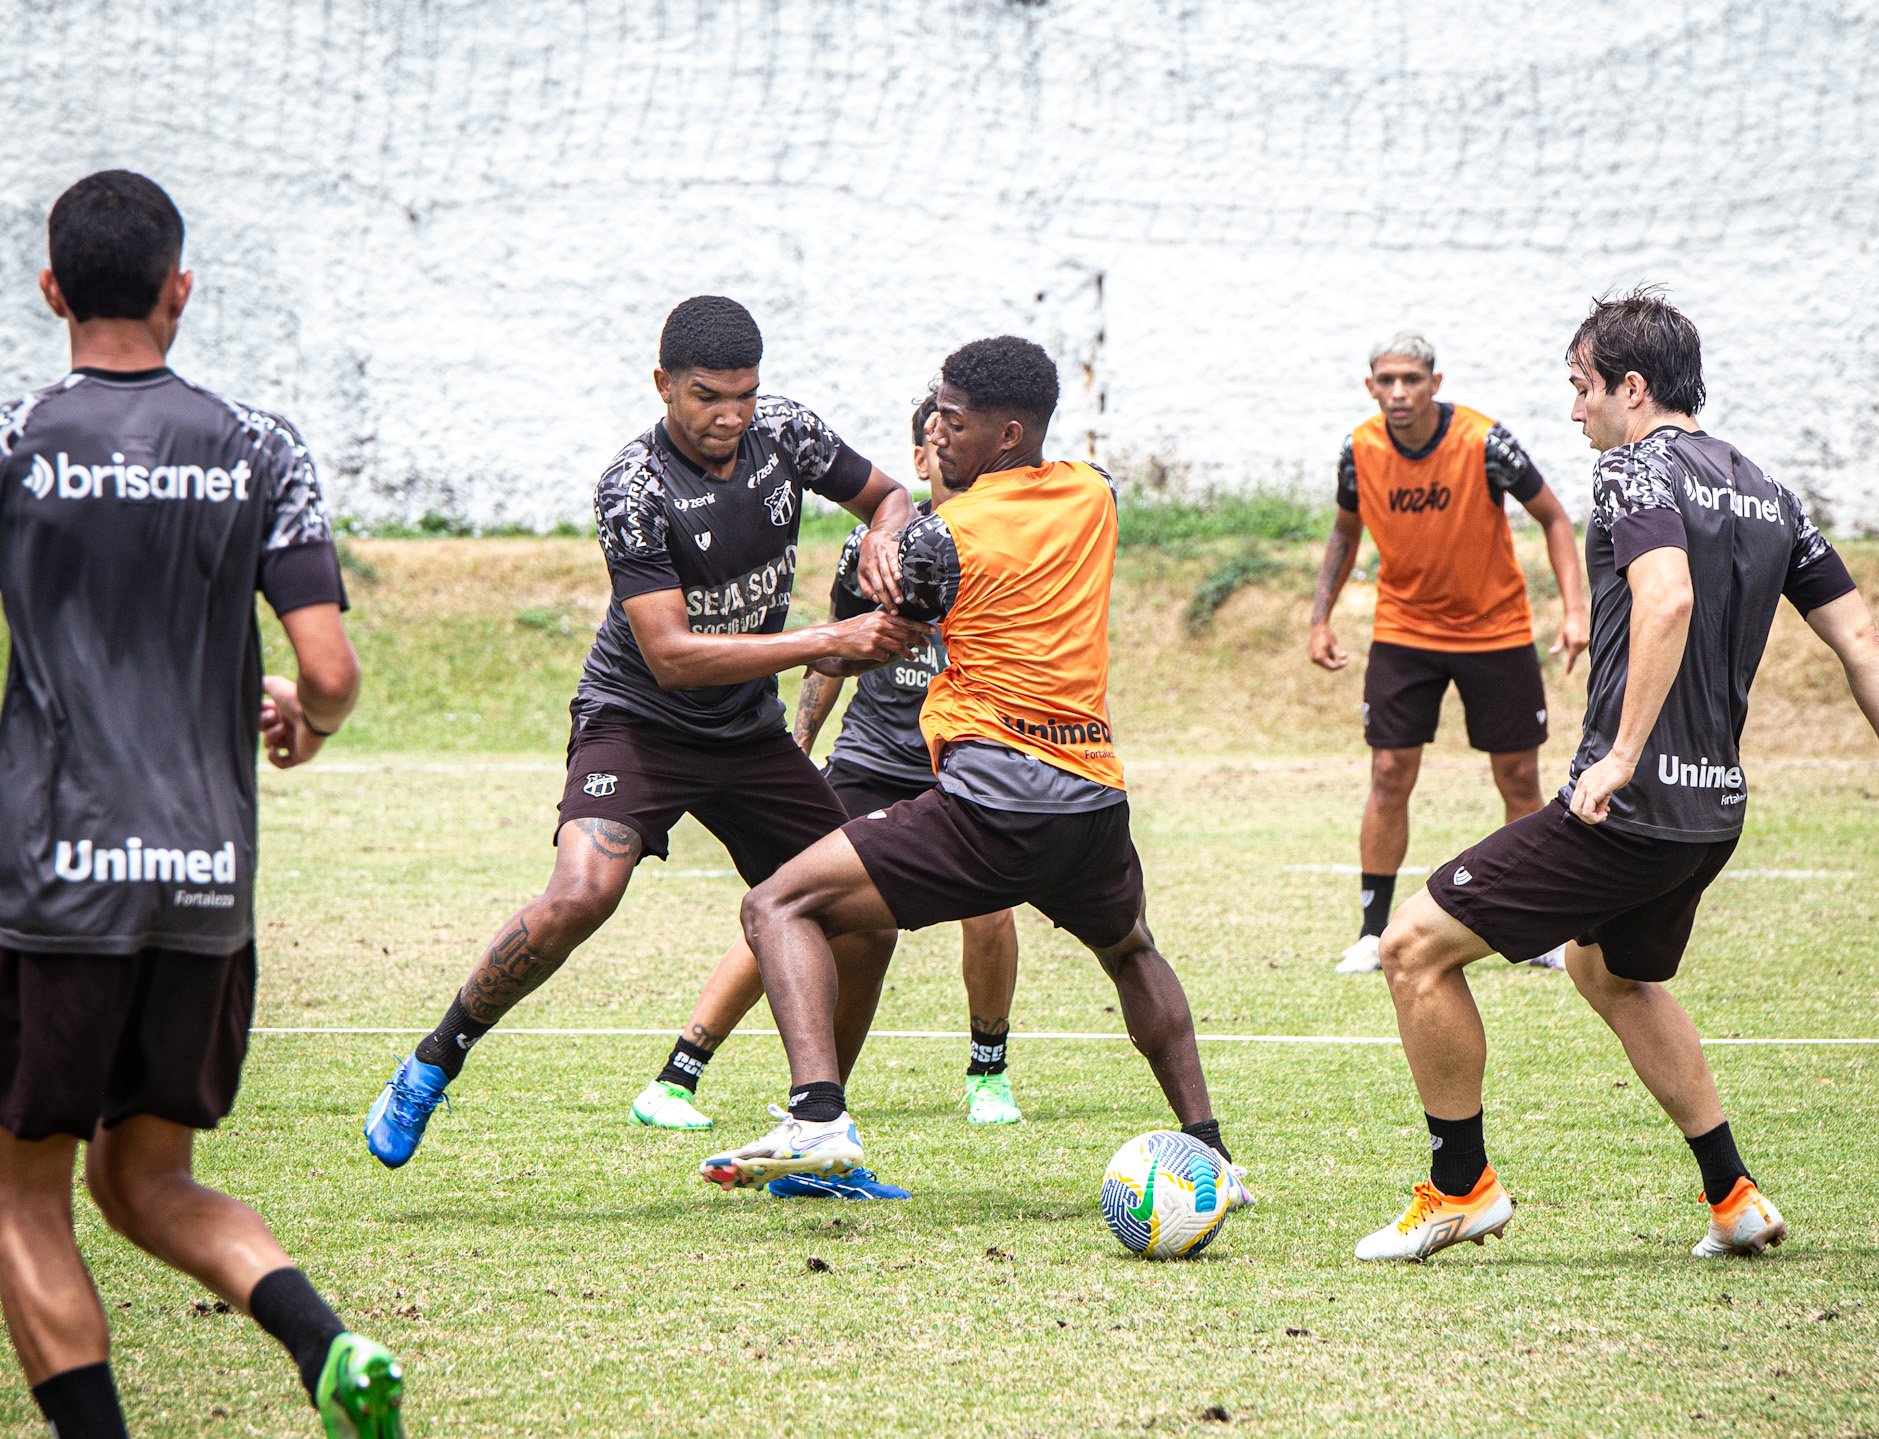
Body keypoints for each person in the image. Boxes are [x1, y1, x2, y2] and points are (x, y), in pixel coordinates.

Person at [1353, 289, 1879, 1265]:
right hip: (1711, 811)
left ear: (1629, 389)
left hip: (1630, 806)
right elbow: (1855, 633)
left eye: (1579, 388)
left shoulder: (1636, 470)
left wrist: (1620, 755)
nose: (1572, 412)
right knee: (1611, 973)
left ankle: (1457, 1186)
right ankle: (1730, 1197)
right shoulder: (1766, 491)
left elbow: (1666, 596)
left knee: (1411, 949)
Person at [0, 171, 407, 1439]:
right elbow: (335, 673)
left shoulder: (15, 441)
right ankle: (329, 1348)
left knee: (23, 1194)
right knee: (148, 1178)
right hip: (205, 879)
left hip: (51, 879)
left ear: (52, 292)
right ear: (179, 288)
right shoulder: (258, 444)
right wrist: (297, 709)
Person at [695, 335, 1252, 1216]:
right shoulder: (1091, 492)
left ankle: (818, 1119)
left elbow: (891, 620)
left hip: (995, 801)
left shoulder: (943, 538)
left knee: (776, 904)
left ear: (1007, 433)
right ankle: (1215, 1158)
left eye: (953, 421)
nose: (935, 431)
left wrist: (873, 564)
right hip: (1093, 795)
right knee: (1131, 950)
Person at [364, 297, 923, 1168]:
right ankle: (435, 1058)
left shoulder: (788, 434)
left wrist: (886, 539)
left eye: (745, 394)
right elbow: (669, 655)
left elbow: (889, 496)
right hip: (638, 719)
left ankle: (818, 1133)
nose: (730, 415)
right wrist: (830, 639)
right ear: (663, 384)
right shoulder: (632, 487)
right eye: (707, 396)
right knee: (583, 893)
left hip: (746, 732)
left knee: (864, 919)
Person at [630, 394, 1025, 1201]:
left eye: (959, 431)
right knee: (793, 897)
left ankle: (987, 1072)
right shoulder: (872, 552)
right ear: (917, 458)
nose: (944, 446)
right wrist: (799, 745)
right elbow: (829, 657)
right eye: (932, 436)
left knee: (990, 906)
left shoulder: (1014, 544)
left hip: (969, 756)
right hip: (875, 760)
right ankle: (682, 1071)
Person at [1308, 330, 1590, 975]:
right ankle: (1372, 933)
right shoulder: (1360, 450)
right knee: (1388, 773)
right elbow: (1345, 532)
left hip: (1497, 632)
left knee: (1519, 778)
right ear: (1371, 387)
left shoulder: (1485, 442)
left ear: (1436, 384)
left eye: (1411, 379)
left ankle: (1538, 929)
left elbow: (1553, 516)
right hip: (1405, 632)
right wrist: (1319, 618)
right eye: (1387, 380)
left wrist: (1576, 611)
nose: (1399, 392)